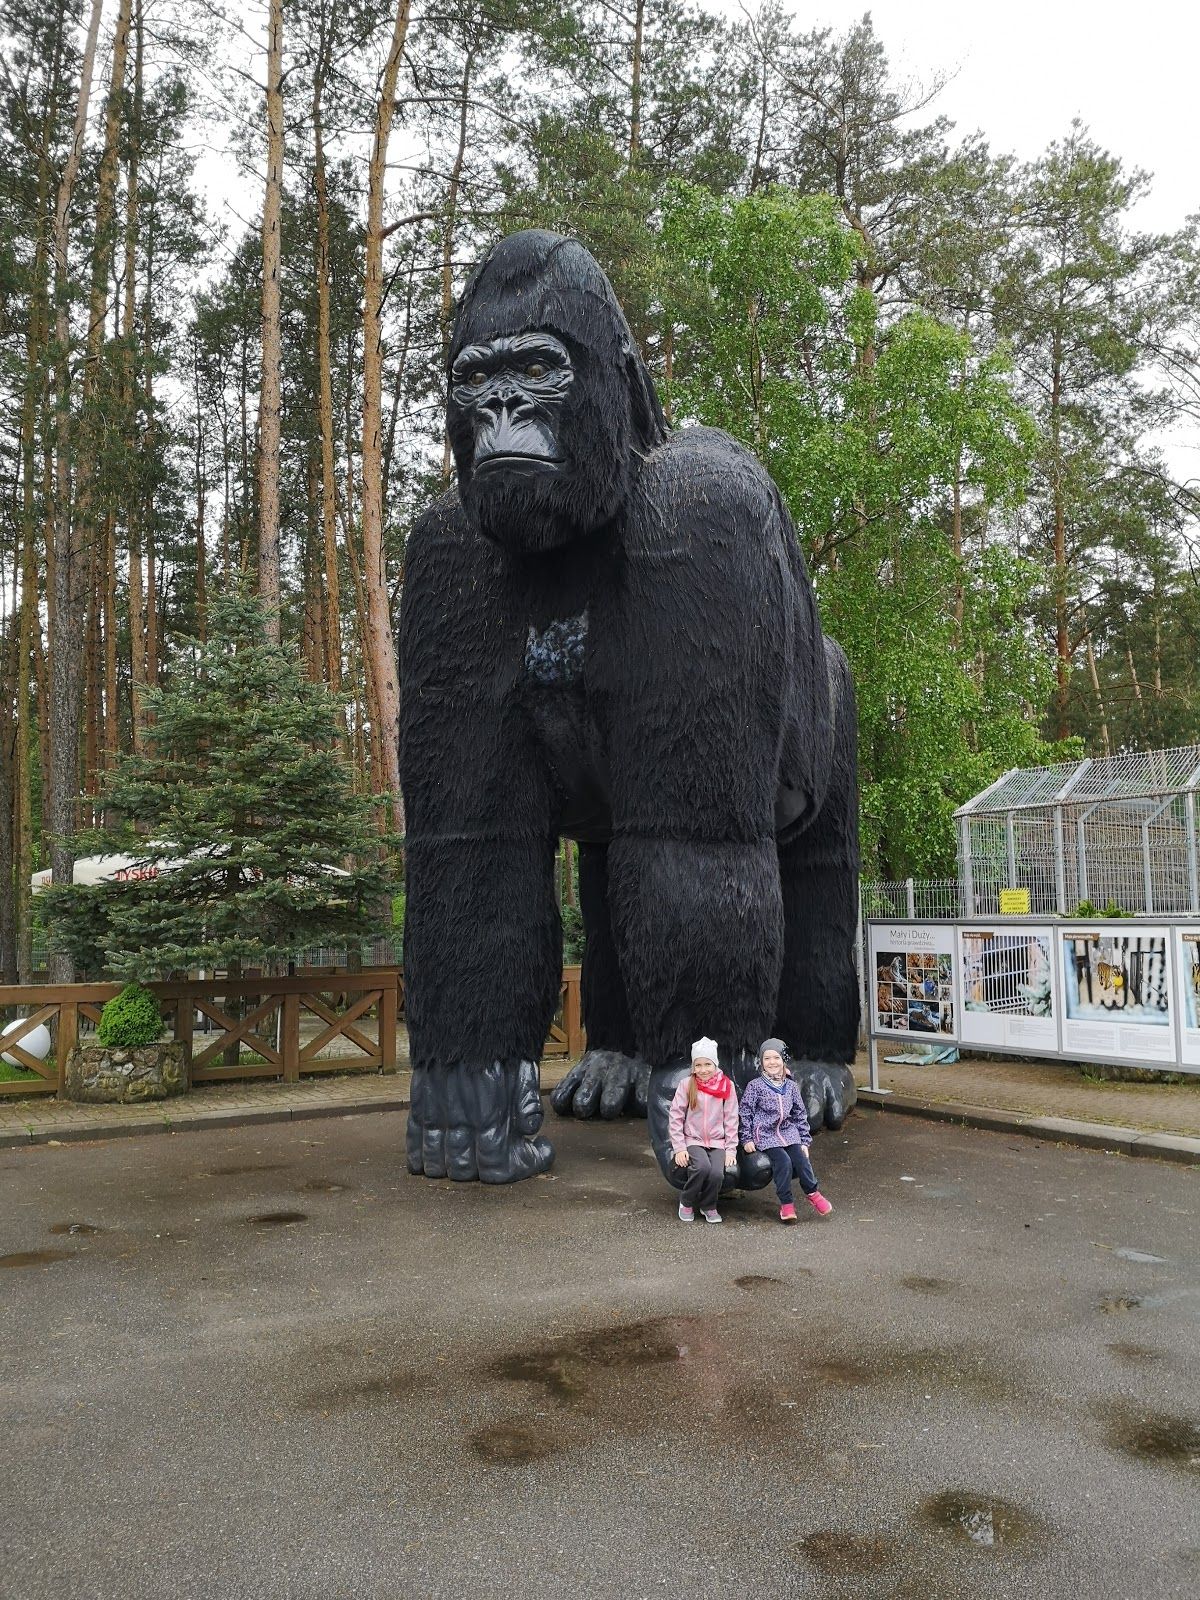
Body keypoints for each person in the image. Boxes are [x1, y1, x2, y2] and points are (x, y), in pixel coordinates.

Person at [739, 1038, 833, 1224]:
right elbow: (745, 1113)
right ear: (761, 1061)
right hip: (765, 1135)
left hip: (788, 1133)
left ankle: (813, 1193)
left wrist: (804, 1141)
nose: (772, 1062)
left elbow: (799, 1113)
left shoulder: (790, 1086)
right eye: (767, 1058)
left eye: (776, 1057)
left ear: (783, 1060)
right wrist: (746, 1138)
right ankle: (786, 1203)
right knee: (783, 1162)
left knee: (801, 1159)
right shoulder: (755, 1086)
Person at [667, 1039, 739, 1223]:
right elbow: (675, 1117)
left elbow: (731, 1119)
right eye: (698, 1065)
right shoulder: (687, 1085)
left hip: (717, 1141)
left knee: (716, 1173)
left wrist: (731, 1149)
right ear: (693, 1066)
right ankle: (687, 1201)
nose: (703, 1069)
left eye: (708, 1064)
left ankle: (708, 1206)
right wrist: (680, 1148)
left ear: (715, 1064)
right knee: (701, 1167)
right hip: (693, 1139)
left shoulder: (726, 1086)